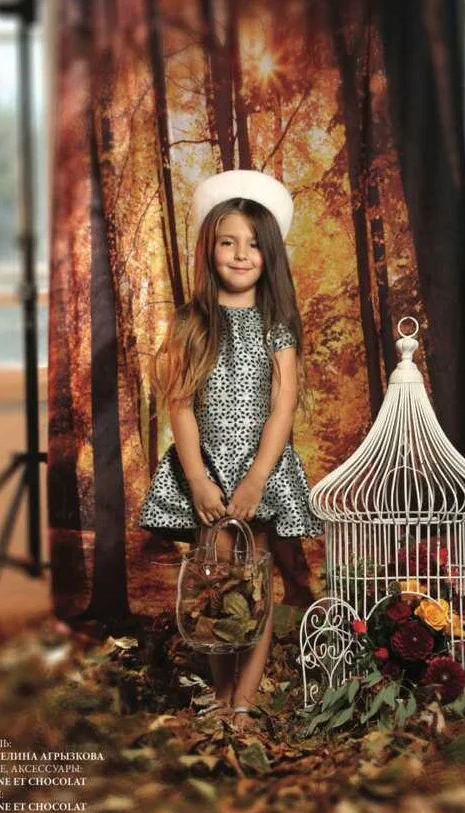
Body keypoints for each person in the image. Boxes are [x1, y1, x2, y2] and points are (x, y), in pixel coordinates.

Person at [139, 169, 322, 728]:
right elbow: (181, 404)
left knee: (256, 581)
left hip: (257, 470)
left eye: (253, 245)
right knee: (217, 584)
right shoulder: (191, 322)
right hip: (208, 470)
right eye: (228, 242)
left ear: (269, 254)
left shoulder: (277, 324)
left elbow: (282, 408)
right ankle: (219, 698)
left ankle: (245, 699)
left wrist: (257, 478)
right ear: (209, 248)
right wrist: (197, 477)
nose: (240, 255)